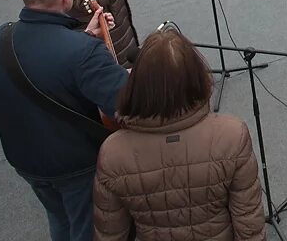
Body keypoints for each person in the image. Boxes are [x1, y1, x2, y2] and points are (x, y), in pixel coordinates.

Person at [0, 0, 129, 241]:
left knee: (59, 219)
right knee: (88, 227)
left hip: (24, 158)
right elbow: (127, 104)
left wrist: (85, 38)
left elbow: (45, 66)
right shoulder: (82, 52)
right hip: (75, 163)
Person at [93, 26, 266, 241]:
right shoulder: (232, 135)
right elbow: (248, 224)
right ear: (196, 76)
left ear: (136, 83)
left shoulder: (113, 152)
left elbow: (110, 233)